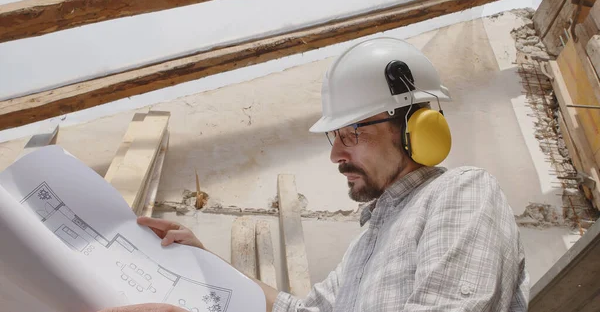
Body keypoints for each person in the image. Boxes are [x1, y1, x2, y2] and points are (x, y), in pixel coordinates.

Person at [101, 37, 529, 312]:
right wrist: (202, 259)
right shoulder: (369, 241)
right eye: (334, 137)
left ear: (415, 125)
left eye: (351, 133)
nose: (336, 154)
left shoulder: (461, 192)